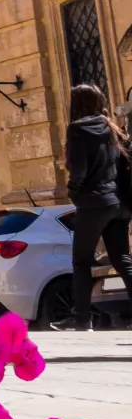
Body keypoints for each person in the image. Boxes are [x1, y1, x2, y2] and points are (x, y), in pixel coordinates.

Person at [56, 84, 132, 331]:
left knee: (81, 261)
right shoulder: (113, 128)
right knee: (122, 258)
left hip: (94, 202)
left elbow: (79, 169)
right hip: (118, 203)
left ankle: (81, 318)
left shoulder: (77, 129)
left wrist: (74, 191)